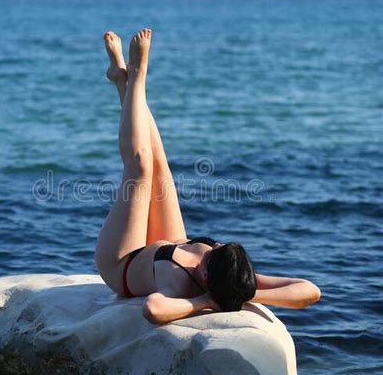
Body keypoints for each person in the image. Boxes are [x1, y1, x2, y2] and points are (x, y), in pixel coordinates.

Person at [95, 29, 321, 325]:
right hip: (169, 242)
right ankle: (121, 79)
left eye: (212, 257)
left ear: (204, 275)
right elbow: (309, 290)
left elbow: (153, 309)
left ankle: (136, 76)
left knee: (140, 168)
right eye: (218, 247)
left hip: (122, 262)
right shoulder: (236, 276)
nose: (212, 248)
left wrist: (205, 301)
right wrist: (243, 293)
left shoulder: (181, 286)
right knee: (160, 165)